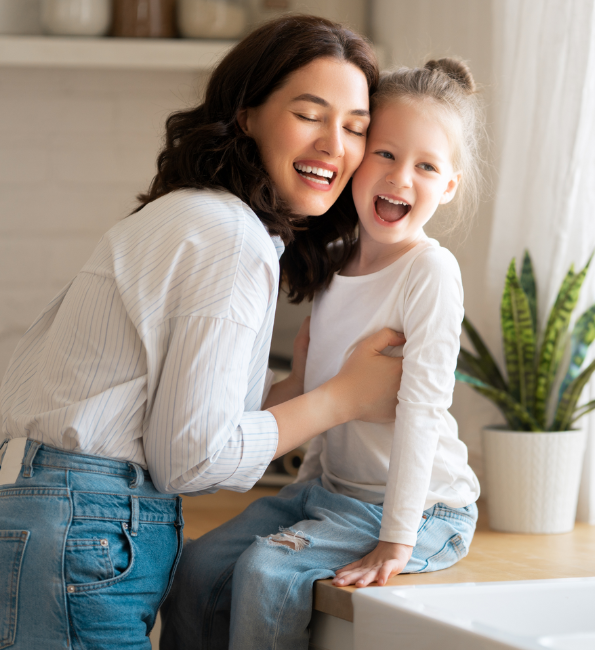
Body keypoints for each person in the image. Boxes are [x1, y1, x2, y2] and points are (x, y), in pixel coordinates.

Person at [0, 16, 405, 650]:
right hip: (90, 525)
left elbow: (167, 420)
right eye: (310, 114)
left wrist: (295, 388)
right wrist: (342, 399)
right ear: (248, 114)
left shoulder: (197, 214)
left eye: (355, 128)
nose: (336, 144)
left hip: (60, 514)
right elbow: (190, 455)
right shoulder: (230, 237)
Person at [161, 58, 483, 650]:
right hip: (332, 492)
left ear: (449, 185)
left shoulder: (430, 271)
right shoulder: (336, 265)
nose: (400, 177)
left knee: (267, 572)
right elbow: (323, 401)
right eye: (385, 154)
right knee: (200, 564)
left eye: (426, 165)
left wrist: (397, 540)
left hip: (425, 511)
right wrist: (305, 491)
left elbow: (422, 412)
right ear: (358, 160)